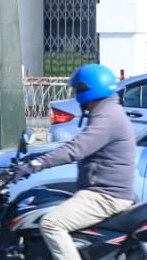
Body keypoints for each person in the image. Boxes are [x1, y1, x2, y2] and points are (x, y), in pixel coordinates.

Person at [13, 64, 136, 260]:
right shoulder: (108, 111)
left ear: (88, 90)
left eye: (78, 89)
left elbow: (76, 149)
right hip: (102, 191)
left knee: (51, 223)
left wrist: (35, 165)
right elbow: (79, 146)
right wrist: (33, 158)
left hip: (105, 196)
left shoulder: (108, 116)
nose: (77, 95)